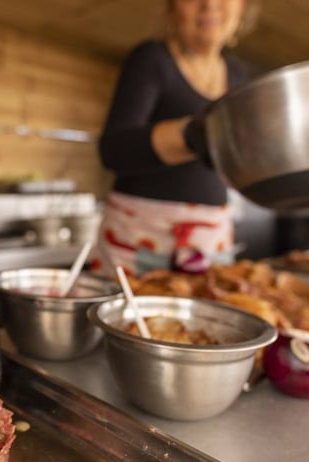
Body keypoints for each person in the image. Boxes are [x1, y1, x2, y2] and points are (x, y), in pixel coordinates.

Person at [93, 0, 259, 276]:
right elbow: (113, 150)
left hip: (211, 240)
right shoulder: (150, 58)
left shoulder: (238, 75)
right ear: (172, 8)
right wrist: (193, 135)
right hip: (137, 237)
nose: (210, 4)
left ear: (241, 8)